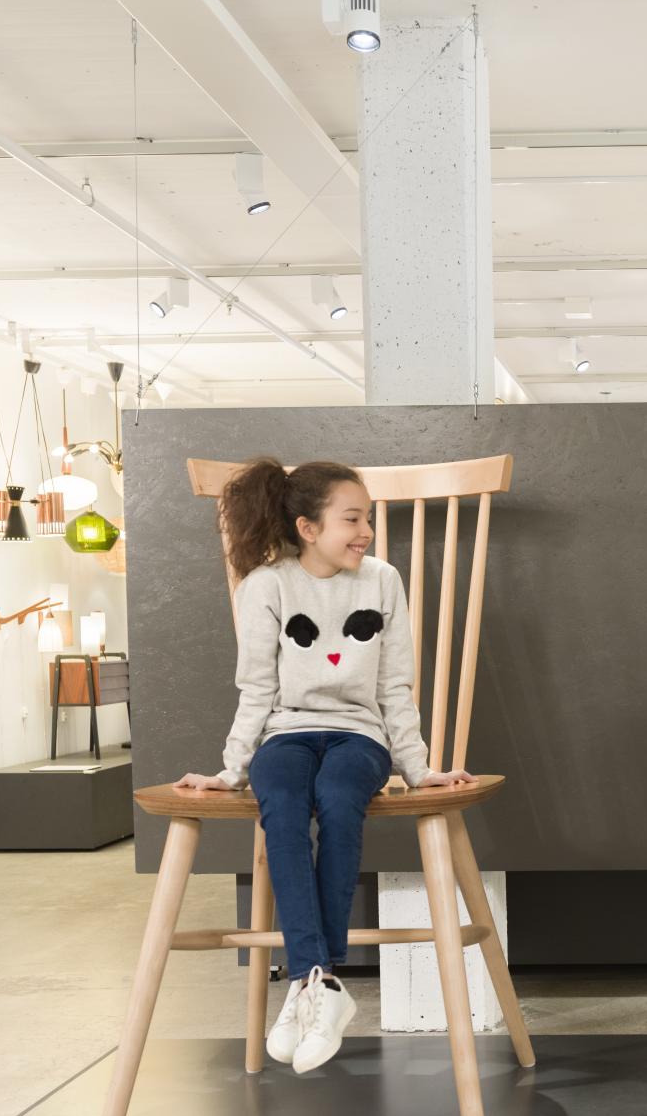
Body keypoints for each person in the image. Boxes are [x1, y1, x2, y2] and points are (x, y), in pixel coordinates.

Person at [174, 459, 474, 1072]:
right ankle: (321, 982)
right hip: (286, 735)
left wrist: (417, 768)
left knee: (339, 804)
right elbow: (255, 688)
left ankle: (310, 980)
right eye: (353, 519)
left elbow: (395, 685)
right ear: (309, 527)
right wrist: (230, 771)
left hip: (358, 737)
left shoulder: (383, 581)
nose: (365, 531)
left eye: (368, 518)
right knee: (280, 809)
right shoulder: (268, 586)